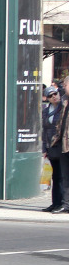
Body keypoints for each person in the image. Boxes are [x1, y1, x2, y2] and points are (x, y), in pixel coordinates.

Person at [42, 86, 64, 213]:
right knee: (55, 176)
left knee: (61, 176)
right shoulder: (46, 111)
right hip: (51, 147)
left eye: (55, 93)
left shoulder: (63, 108)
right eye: (50, 95)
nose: (54, 96)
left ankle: (62, 203)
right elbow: (44, 130)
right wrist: (44, 148)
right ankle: (54, 202)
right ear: (47, 98)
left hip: (60, 145)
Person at [52, 85, 69, 215]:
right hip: (64, 144)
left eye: (66, 85)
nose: (64, 87)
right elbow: (60, 121)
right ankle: (65, 204)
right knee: (64, 176)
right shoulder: (64, 100)